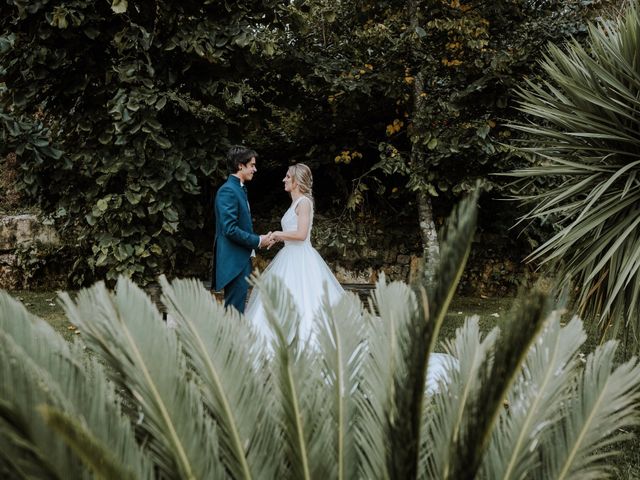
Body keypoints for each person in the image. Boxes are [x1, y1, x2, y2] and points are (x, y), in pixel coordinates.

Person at [245, 163, 344, 343]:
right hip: (289, 254)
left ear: (297, 181)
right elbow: (292, 233)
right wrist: (278, 238)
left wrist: (277, 234)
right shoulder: (295, 203)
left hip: (301, 258)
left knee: (304, 298)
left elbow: (301, 234)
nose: (284, 179)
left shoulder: (304, 202)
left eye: (288, 176)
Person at [213, 145, 272, 313]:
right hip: (234, 263)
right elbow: (230, 229)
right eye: (252, 165)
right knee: (234, 314)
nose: (255, 169)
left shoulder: (239, 189)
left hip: (240, 260)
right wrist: (258, 240)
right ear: (240, 165)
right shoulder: (228, 191)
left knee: (237, 312)